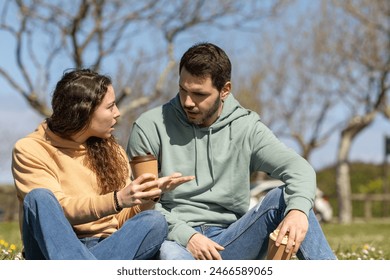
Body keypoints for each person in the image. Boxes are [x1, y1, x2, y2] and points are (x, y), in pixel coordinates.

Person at [127, 42, 337, 260]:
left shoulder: (246, 128)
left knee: (289, 201)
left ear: (225, 90)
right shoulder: (149, 126)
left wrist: (298, 212)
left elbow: (300, 169)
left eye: (199, 94)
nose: (187, 102)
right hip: (174, 240)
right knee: (171, 257)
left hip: (231, 239)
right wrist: (187, 236)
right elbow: (144, 205)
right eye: (183, 90)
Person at [11, 69, 194, 260]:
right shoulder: (30, 149)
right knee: (38, 197)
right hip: (52, 247)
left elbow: (122, 219)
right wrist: (116, 200)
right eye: (110, 106)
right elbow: (58, 211)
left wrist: (148, 196)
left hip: (108, 247)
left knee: (155, 221)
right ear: (83, 111)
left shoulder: (112, 150)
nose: (117, 113)